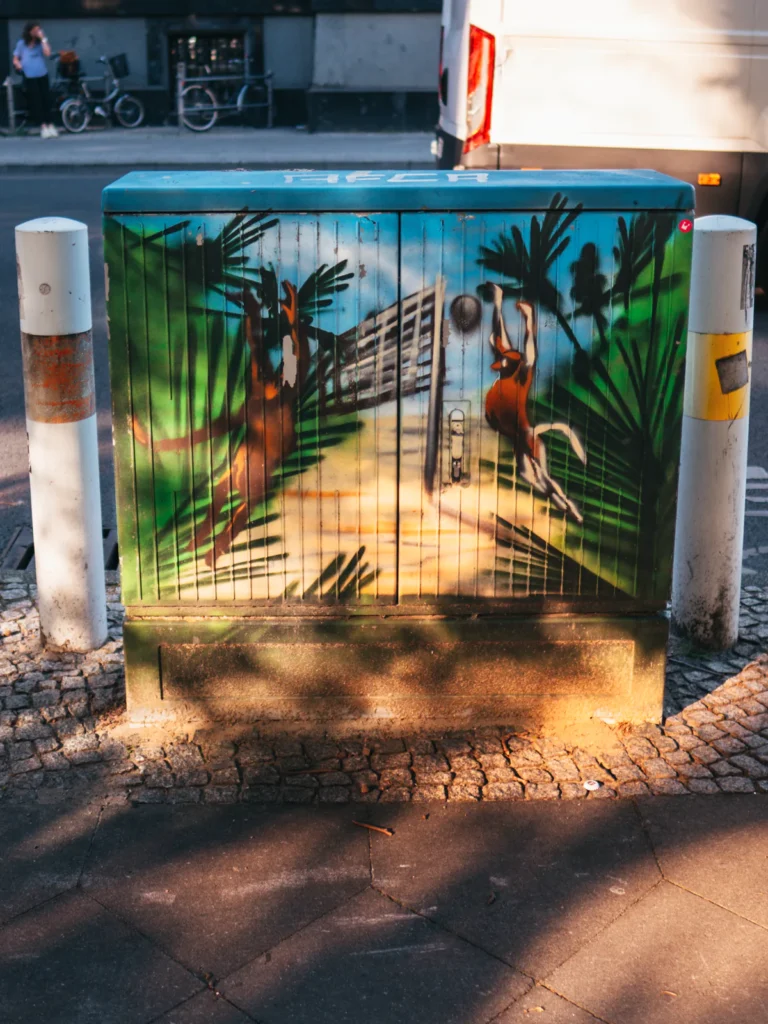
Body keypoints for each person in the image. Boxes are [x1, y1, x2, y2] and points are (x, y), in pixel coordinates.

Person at [12, 22, 58, 138]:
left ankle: (50, 124)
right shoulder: (22, 44)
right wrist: (18, 65)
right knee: (36, 101)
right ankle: (43, 126)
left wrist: (43, 38)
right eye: (35, 30)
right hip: (29, 76)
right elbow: (15, 59)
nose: (38, 32)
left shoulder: (40, 43)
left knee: (46, 99)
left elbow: (47, 53)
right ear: (30, 31)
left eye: (39, 30)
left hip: (42, 74)